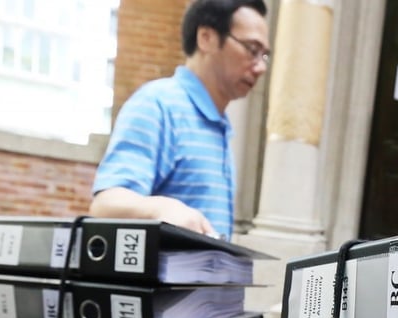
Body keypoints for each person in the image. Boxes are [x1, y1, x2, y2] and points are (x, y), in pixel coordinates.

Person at [91, 0, 270, 240]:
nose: (260, 67)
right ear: (206, 37)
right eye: (251, 49)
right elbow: (106, 205)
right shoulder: (158, 105)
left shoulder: (221, 124)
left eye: (265, 55)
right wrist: (162, 208)